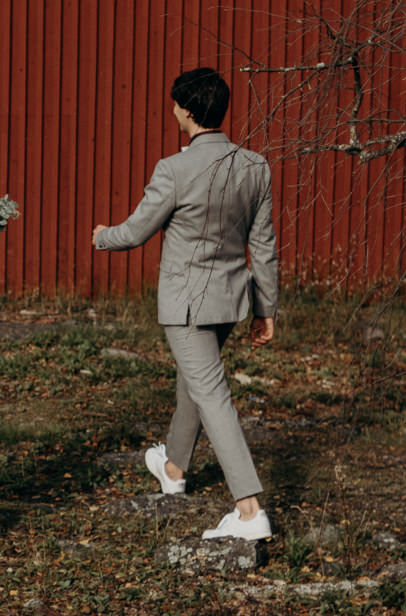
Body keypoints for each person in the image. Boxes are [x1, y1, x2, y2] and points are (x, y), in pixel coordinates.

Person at [92, 68, 278, 541]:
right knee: (193, 384)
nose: (172, 110)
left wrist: (101, 238)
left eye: (176, 104)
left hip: (187, 306)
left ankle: (249, 509)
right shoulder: (255, 166)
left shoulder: (173, 169)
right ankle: (174, 468)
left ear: (189, 113)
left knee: (211, 393)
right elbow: (266, 246)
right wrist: (265, 309)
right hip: (232, 300)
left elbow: (135, 231)